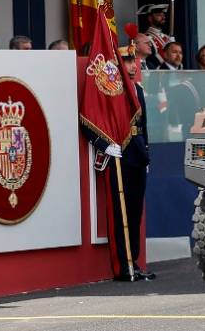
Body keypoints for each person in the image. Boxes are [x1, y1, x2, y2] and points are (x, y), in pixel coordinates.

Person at [87, 49, 153, 281]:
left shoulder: (138, 90)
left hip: (137, 154)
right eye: (126, 62)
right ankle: (122, 265)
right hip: (119, 154)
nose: (133, 66)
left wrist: (147, 153)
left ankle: (134, 261)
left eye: (133, 62)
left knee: (135, 211)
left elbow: (144, 125)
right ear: (116, 64)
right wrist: (103, 144)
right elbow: (90, 118)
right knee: (119, 212)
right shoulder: (110, 92)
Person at [137, 3, 174, 68]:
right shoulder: (147, 38)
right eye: (159, 15)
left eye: (163, 15)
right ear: (150, 18)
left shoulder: (167, 37)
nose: (163, 17)